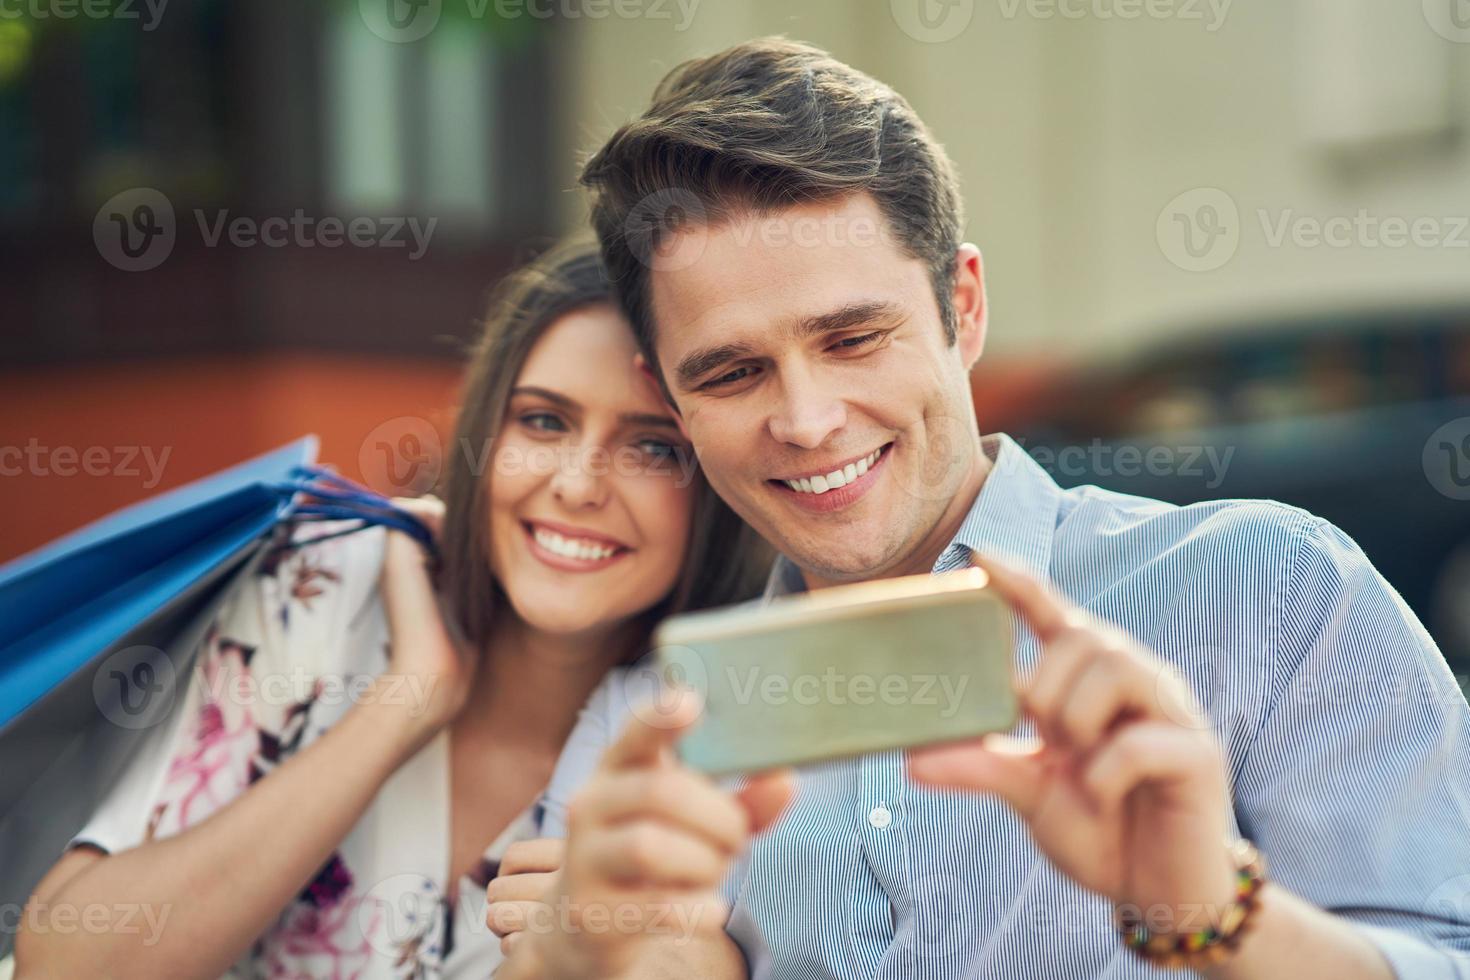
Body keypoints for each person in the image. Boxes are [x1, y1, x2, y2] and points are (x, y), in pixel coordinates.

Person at [490, 38, 1470, 980]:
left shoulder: (1273, 587)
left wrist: (1210, 908)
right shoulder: (643, 729)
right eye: (735, 371)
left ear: (964, 306)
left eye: (853, 338)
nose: (807, 418)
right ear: (667, 395)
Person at [12, 237, 771, 979]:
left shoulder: (721, 752)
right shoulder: (322, 584)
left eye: (654, 448)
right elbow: (67, 966)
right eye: (543, 421)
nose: (577, 484)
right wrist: (404, 704)